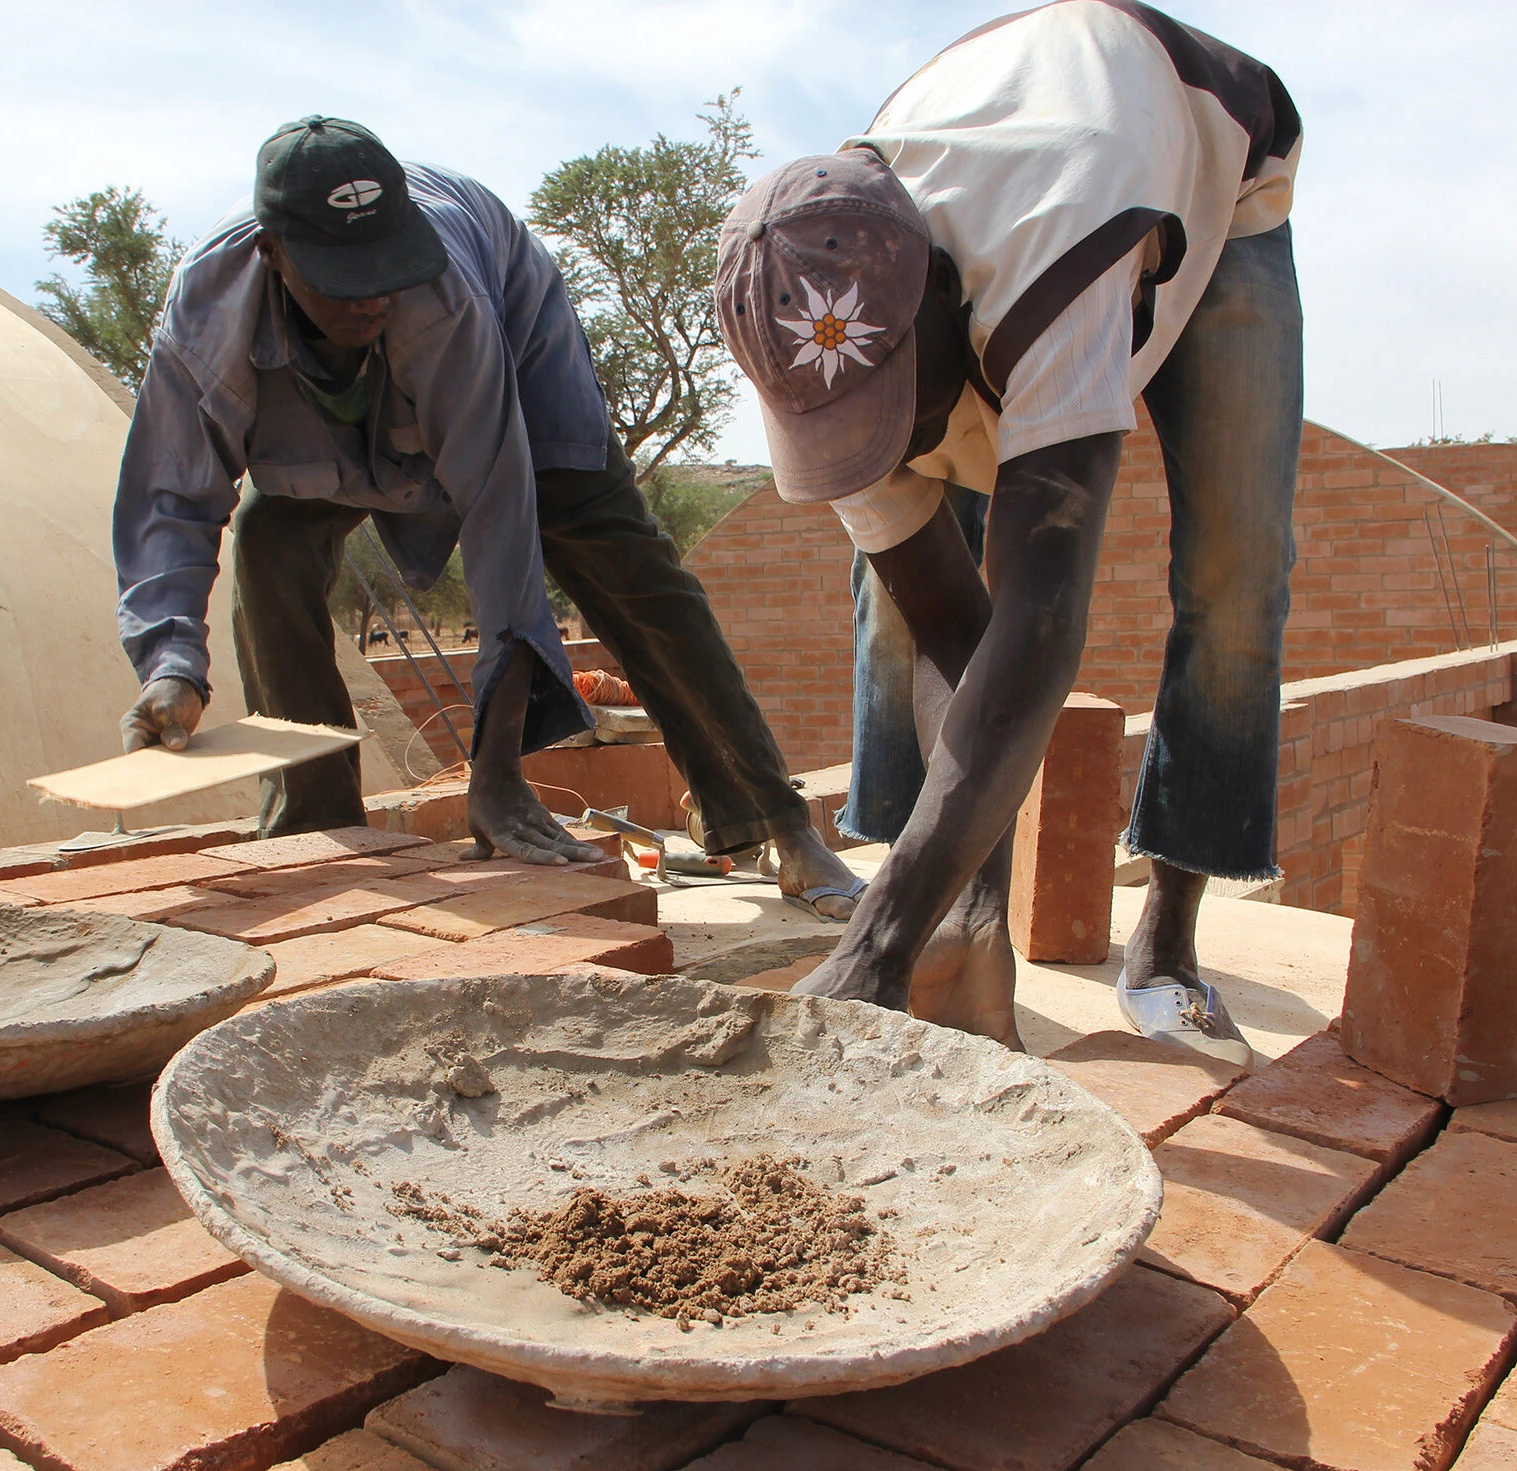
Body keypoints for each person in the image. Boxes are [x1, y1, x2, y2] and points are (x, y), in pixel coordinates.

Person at [713, 2, 1303, 1058]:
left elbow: (1038, 624)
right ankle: (956, 923)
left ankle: (1166, 941)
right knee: (894, 612)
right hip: (1023, 138)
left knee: (1235, 567)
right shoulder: (804, 317)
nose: (894, 452)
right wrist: (958, 910)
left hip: (1208, 173)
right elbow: (954, 625)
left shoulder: (1055, 260)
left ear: (948, 298)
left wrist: (874, 944)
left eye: (901, 412)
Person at [111, 115, 863, 910]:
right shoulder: (206, 321)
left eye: (386, 264)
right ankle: (317, 820)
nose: (373, 294)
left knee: (618, 555)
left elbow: (502, 524)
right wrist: (171, 665)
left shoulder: (439, 296)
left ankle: (777, 823)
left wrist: (497, 773)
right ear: (273, 253)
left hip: (516, 338)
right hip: (316, 414)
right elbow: (169, 498)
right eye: (344, 275)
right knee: (269, 540)